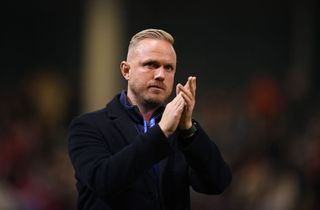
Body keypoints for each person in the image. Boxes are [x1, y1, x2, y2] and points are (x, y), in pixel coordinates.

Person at [68, 28, 232, 210]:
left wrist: (188, 129)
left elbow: (218, 183)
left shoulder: (182, 131)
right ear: (126, 70)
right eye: (151, 65)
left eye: (168, 67)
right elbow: (103, 181)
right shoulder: (88, 126)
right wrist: (161, 132)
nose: (161, 75)